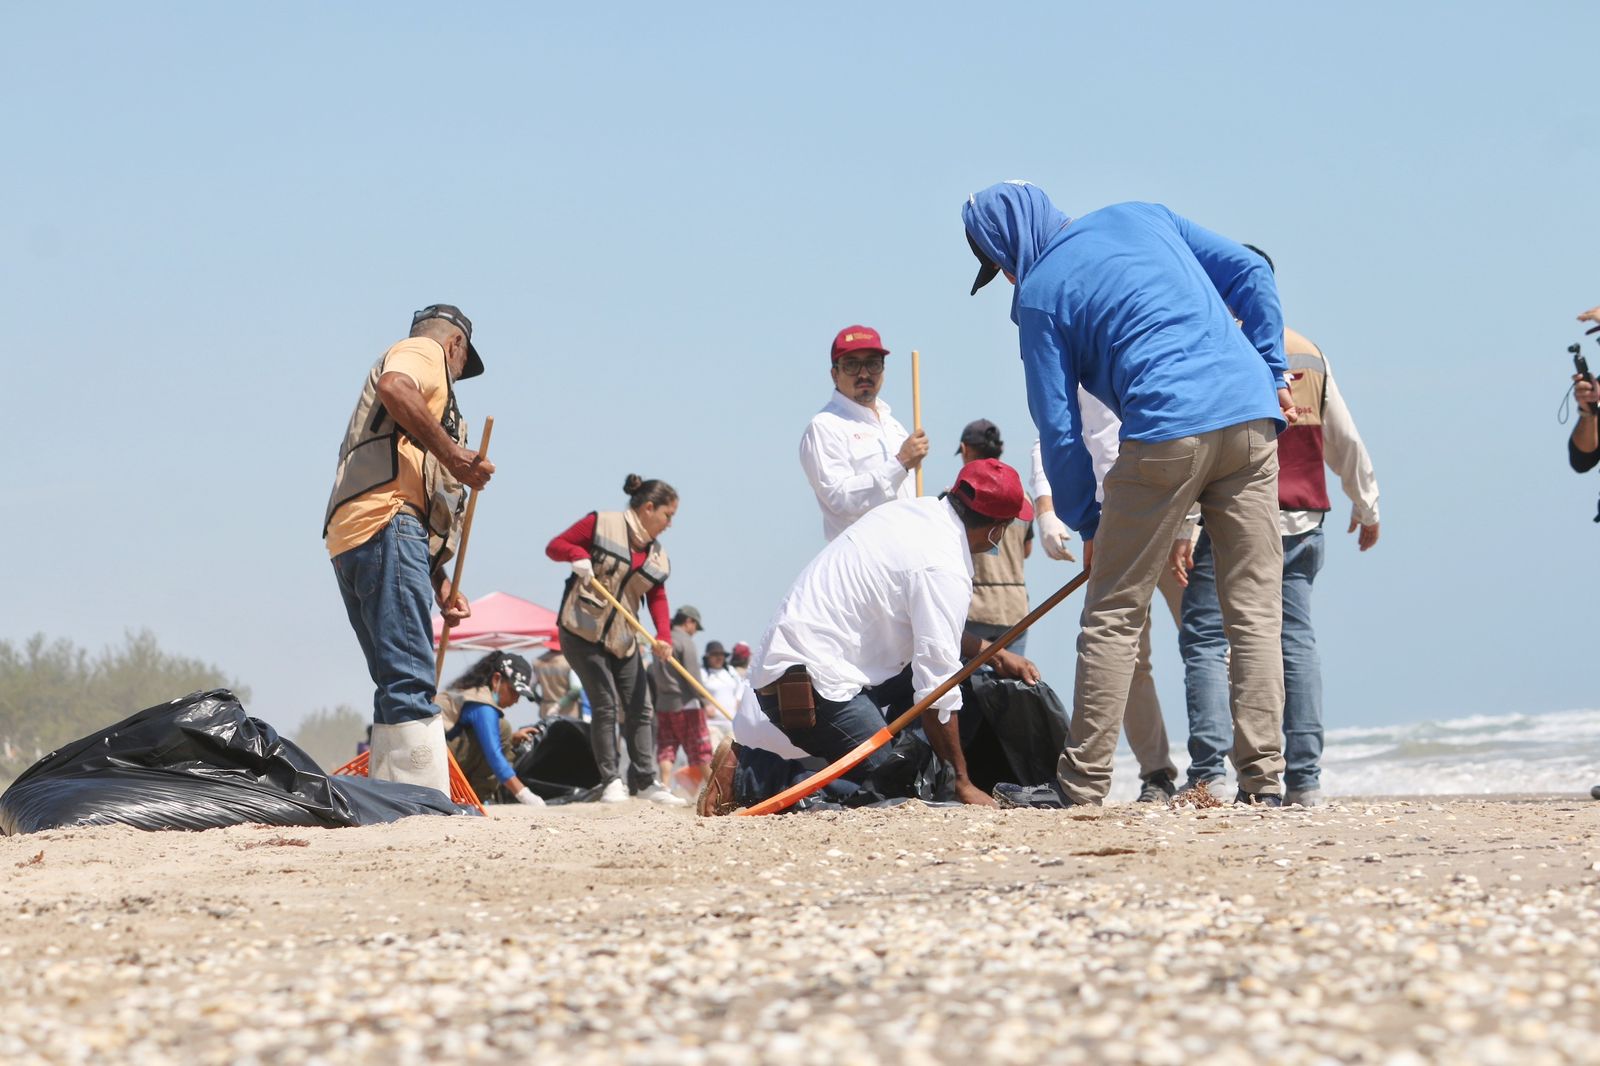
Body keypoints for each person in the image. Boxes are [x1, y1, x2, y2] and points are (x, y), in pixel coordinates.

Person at [965, 180, 1293, 808]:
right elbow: (1251, 269)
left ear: (1010, 247)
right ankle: (1265, 784)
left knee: (1113, 614)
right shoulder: (1144, 216)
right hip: (1252, 417)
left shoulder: (1039, 296)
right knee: (1253, 612)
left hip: (1166, 430)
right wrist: (1273, 368)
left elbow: (1058, 429)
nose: (1007, 279)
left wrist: (1090, 523)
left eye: (1000, 264)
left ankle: (1083, 784)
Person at [698, 460, 1038, 816]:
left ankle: (905, 761)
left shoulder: (915, 513)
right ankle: (748, 776)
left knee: (951, 692)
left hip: (809, 661)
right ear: (996, 531)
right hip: (811, 685)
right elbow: (937, 689)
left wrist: (990, 653)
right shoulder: (944, 567)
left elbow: (930, 632)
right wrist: (962, 783)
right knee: (897, 789)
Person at [1169, 251, 1379, 808]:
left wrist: (1185, 523)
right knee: (1295, 642)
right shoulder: (1309, 350)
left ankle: (1210, 772)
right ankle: (1305, 780)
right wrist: (1366, 502)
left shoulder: (1218, 343)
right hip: (1303, 519)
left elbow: (1201, 444)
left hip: (1231, 519)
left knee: (1209, 640)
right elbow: (1344, 436)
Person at [324, 304, 494, 793]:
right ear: (455, 346)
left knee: (394, 678)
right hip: (386, 521)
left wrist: (438, 580)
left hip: (352, 531)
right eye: (462, 365)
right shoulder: (424, 352)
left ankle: (390, 794)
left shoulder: (412, 402)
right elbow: (395, 387)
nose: (458, 376)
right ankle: (424, 799)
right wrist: (455, 455)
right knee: (412, 676)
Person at [1030, 415, 1184, 804]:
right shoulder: (1080, 361)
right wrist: (1047, 511)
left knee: (1209, 650)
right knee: (1126, 660)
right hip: (1112, 525)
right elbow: (1052, 436)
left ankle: (1221, 768)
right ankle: (1157, 773)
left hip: (1179, 513)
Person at [545, 474, 687, 806]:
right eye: (668, 515)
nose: (669, 524)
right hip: (582, 631)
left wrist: (663, 637)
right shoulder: (601, 523)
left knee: (642, 706)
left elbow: (657, 598)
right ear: (649, 508)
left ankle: (645, 780)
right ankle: (611, 780)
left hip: (623, 637)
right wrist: (575, 555)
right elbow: (554, 546)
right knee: (606, 703)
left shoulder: (657, 555)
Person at [799, 325, 930, 541]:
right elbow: (840, 499)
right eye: (852, 365)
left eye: (872, 364)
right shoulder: (825, 427)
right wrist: (901, 462)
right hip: (863, 562)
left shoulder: (893, 426)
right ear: (835, 373)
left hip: (907, 554)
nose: (863, 374)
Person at [954, 420, 1035, 655]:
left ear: (965, 448)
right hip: (1014, 608)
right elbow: (1026, 550)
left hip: (975, 608)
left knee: (968, 689)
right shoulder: (1024, 499)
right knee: (1012, 688)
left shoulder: (957, 498)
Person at [442, 652, 545, 806]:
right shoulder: (480, 704)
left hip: (441, 759)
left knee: (504, 733)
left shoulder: (471, 694)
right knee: (503, 728)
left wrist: (511, 740)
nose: (516, 700)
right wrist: (526, 796)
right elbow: (494, 755)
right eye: (513, 691)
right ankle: (477, 800)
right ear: (497, 679)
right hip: (437, 764)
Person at [653, 605, 712, 795]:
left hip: (664, 704)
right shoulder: (684, 641)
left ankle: (664, 786)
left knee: (666, 747)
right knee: (700, 749)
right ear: (689, 621)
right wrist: (704, 700)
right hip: (687, 705)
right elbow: (692, 676)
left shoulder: (660, 641)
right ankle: (715, 790)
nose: (695, 632)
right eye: (695, 626)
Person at [535, 647, 582, 720]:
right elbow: (576, 690)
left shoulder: (537, 662)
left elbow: (530, 688)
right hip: (568, 712)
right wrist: (558, 706)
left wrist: (541, 703)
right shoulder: (569, 661)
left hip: (546, 710)